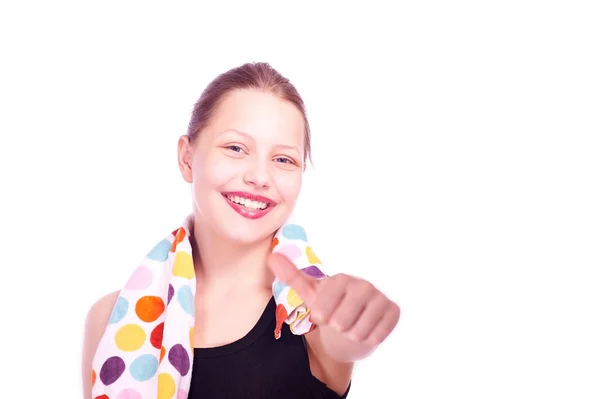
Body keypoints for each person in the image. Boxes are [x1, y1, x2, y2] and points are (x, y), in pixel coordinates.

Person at [81, 62, 401, 398]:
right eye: (236, 148)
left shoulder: (310, 312)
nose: (260, 177)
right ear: (187, 158)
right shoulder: (111, 318)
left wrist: (358, 321)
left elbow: (342, 341)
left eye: (283, 160)